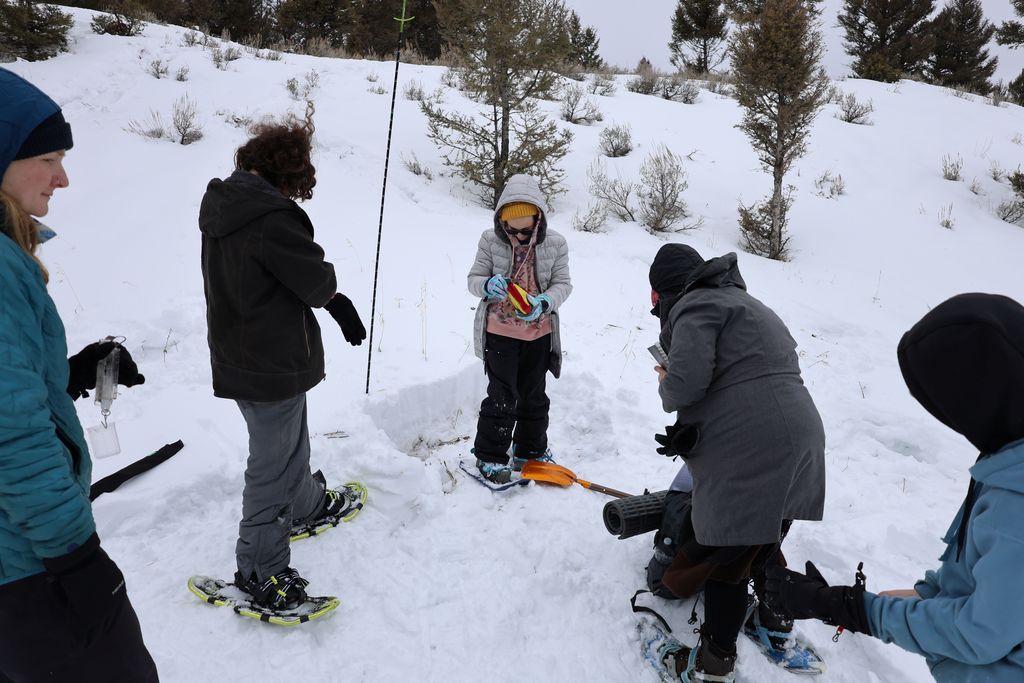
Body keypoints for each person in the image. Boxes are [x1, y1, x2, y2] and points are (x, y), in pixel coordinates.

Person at [765, 292, 1024, 683]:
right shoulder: (1008, 460)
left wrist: (848, 608)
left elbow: (979, 633)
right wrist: (860, 603)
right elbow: (972, 576)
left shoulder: (1016, 501)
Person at [0, 68, 157, 682]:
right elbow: (11, 437)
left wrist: (65, 372)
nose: (63, 178)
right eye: (48, 158)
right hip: (28, 566)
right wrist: (75, 556)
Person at [198, 103, 368, 611]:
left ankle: (307, 507)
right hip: (270, 360)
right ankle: (259, 568)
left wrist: (331, 303)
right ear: (285, 171)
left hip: (239, 352)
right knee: (271, 466)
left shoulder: (224, 205)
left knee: (290, 445)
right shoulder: (271, 218)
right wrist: (337, 300)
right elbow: (313, 279)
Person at [645, 244, 826, 682]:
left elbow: (684, 388)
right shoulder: (749, 304)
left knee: (728, 561)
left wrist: (667, 382)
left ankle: (711, 667)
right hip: (802, 439)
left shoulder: (694, 306)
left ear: (662, 294)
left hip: (753, 449)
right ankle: (773, 626)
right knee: (765, 539)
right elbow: (751, 378)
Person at [467, 174, 572, 483]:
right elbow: (473, 279)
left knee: (534, 395)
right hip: (499, 333)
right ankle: (490, 455)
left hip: (539, 333)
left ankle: (530, 450)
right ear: (502, 222)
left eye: (526, 229)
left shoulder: (556, 243)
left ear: (538, 218)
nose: (519, 235)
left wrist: (545, 302)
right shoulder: (490, 239)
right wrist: (487, 284)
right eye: (512, 229)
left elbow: (563, 284)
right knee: (502, 395)